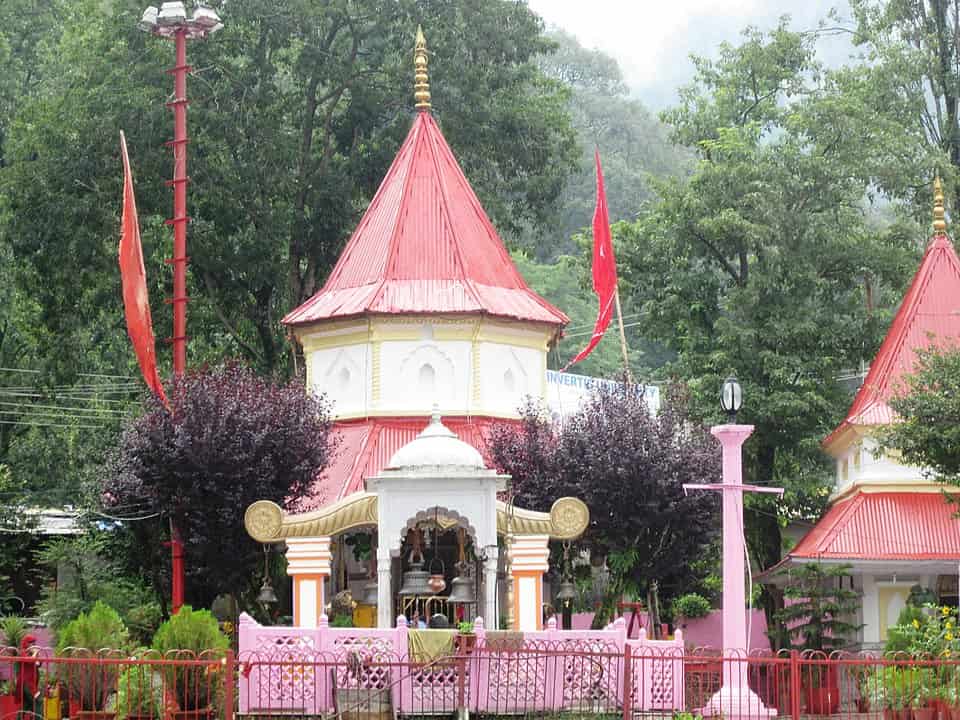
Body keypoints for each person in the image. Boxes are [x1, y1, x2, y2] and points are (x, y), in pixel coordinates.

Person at [14, 635, 39, 720]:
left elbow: (38, 664)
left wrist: (35, 654)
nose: (33, 645)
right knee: (38, 701)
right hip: (27, 684)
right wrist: (34, 653)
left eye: (34, 643)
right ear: (26, 644)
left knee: (26, 704)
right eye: (31, 643)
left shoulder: (32, 654)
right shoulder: (22, 652)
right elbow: (29, 661)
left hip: (32, 683)